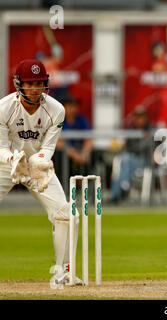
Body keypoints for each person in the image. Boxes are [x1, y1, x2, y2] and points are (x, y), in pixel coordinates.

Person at [0, 59, 82, 286]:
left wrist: (37, 161)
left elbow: (47, 148)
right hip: (7, 164)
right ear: (19, 85)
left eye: (39, 83)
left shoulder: (56, 109)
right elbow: (0, 148)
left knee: (67, 215)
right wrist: (13, 159)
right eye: (30, 84)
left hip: (37, 167)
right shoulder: (4, 108)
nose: (35, 89)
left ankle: (64, 272)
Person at [110, 106, 155, 203]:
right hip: (131, 160)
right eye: (137, 117)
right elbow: (130, 147)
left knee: (125, 160)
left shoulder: (152, 129)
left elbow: (155, 146)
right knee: (122, 161)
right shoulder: (131, 130)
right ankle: (119, 191)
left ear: (146, 118)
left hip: (146, 161)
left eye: (141, 117)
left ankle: (122, 188)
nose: (139, 120)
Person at [56, 95, 93, 177]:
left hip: (80, 152)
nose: (73, 109)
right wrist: (74, 155)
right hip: (65, 155)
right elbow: (57, 142)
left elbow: (89, 138)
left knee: (91, 159)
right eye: (69, 106)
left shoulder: (82, 120)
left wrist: (85, 153)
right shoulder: (58, 120)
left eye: (74, 106)